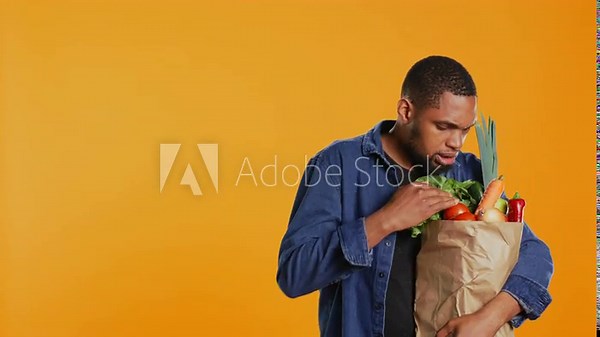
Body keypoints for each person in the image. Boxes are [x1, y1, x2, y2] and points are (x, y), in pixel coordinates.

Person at [276, 55, 554, 337]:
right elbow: (294, 275)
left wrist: (490, 318)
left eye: (465, 130)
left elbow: (536, 255)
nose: (456, 143)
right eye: (444, 127)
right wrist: (385, 220)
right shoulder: (338, 164)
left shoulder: (470, 173)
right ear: (406, 111)